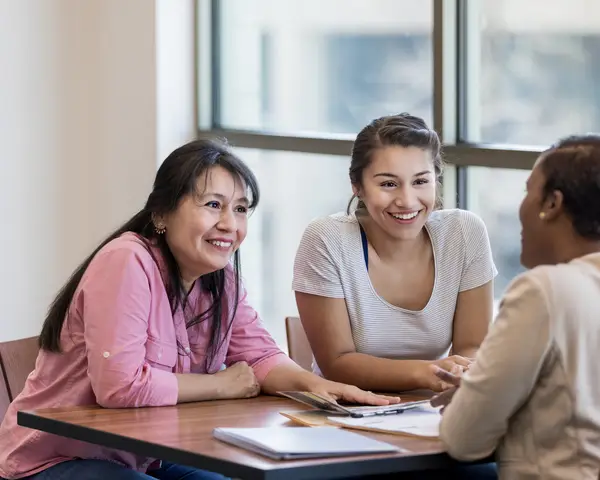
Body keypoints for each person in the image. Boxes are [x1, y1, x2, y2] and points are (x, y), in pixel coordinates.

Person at [0, 140, 397, 480]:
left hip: (141, 455)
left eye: (241, 209)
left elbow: (258, 357)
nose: (230, 224)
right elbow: (119, 387)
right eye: (213, 205)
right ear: (161, 214)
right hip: (52, 460)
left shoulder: (220, 280)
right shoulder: (126, 261)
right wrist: (220, 385)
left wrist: (318, 387)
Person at [433, 135, 600, 479]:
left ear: (552, 203)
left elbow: (463, 440)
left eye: (527, 191)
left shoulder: (545, 291)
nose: (519, 207)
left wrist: (475, 400)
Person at [292, 113, 497, 393]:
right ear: (357, 185)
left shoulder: (464, 232)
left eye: (420, 181)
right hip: (345, 412)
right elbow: (337, 363)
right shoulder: (327, 239)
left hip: (432, 409)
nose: (407, 201)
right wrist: (426, 372)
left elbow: (473, 346)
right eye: (388, 184)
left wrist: (462, 372)